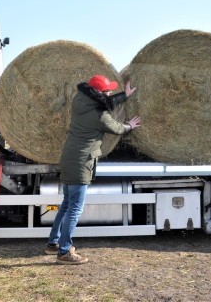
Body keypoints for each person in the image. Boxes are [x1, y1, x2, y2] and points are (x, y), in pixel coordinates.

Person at [45, 74, 141, 265]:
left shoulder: (80, 101)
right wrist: (129, 126)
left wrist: (124, 95)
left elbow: (103, 101)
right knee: (75, 209)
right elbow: (116, 128)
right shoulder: (100, 116)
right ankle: (64, 252)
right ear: (99, 92)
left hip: (69, 158)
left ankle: (52, 244)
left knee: (66, 204)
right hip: (81, 163)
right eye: (107, 90)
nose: (110, 92)